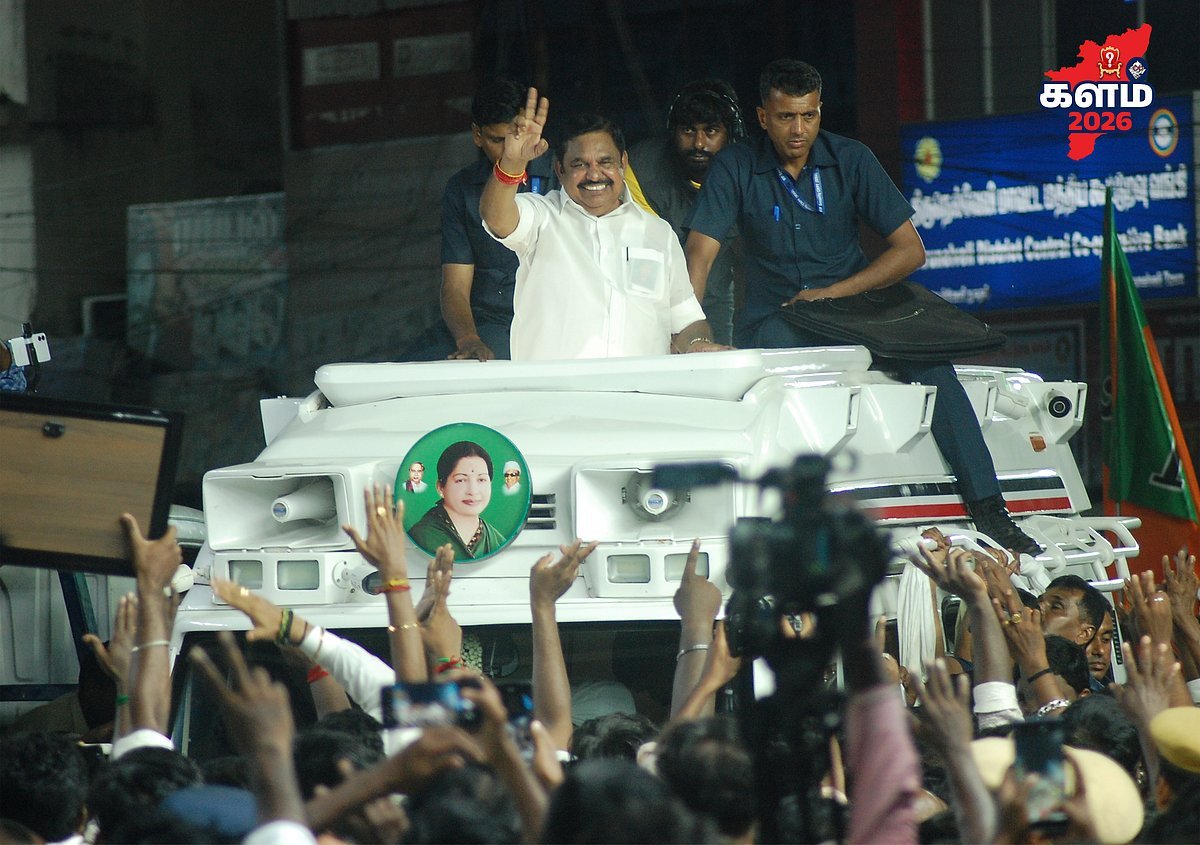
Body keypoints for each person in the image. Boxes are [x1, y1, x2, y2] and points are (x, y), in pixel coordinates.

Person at [685, 59, 1040, 555]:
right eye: (786, 117)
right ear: (763, 117)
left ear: (820, 111)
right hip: (778, 318)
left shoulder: (850, 158)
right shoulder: (736, 165)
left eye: (809, 115)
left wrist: (835, 292)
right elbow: (700, 252)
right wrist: (688, 332)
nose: (799, 129)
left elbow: (910, 251)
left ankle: (990, 511)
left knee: (935, 368)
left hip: (855, 311)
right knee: (776, 366)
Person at [480, 88, 726, 360]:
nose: (594, 174)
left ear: (623, 162)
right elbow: (496, 217)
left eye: (605, 162)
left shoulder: (658, 233)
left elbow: (688, 320)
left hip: (638, 386)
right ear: (559, 170)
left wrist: (698, 342)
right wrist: (511, 163)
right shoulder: (542, 218)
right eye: (579, 164)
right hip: (555, 387)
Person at [402, 78, 557, 362]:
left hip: (552, 322)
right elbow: (455, 286)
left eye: (516, 137)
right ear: (477, 135)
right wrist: (468, 339)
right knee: (402, 372)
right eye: (498, 140)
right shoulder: (461, 189)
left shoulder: (564, 174)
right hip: (487, 324)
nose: (510, 149)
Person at [626, 79, 744, 344]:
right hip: (649, 291)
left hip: (717, 290)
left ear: (731, 134)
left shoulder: (744, 171)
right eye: (688, 130)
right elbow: (640, 258)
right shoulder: (641, 170)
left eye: (711, 131)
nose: (699, 143)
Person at [409, 440, 505, 559]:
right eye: (461, 480)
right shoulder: (423, 537)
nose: (473, 491)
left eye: (481, 480)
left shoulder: (498, 541)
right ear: (440, 487)